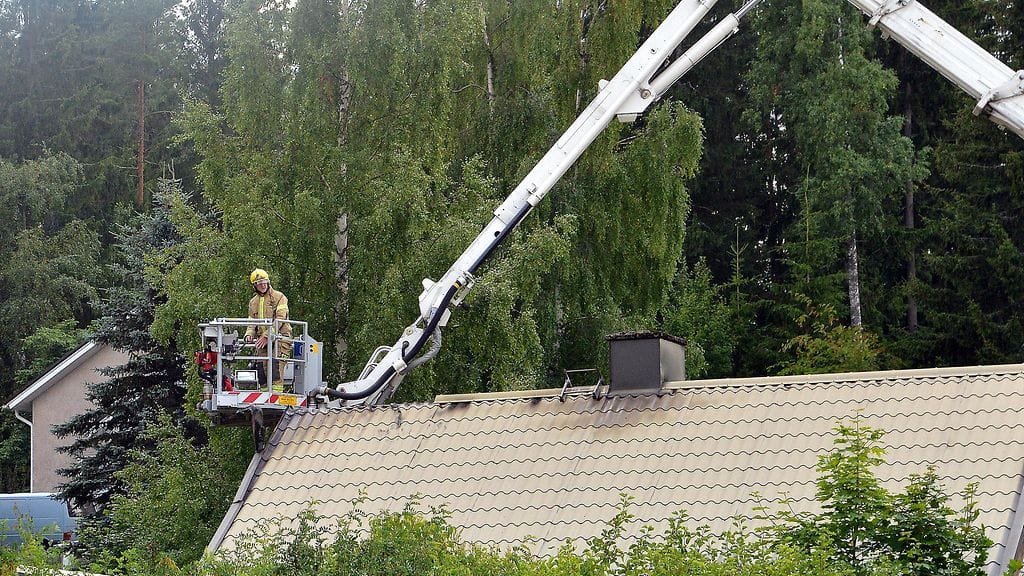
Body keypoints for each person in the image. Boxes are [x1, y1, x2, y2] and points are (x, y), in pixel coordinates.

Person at [244, 268, 292, 392]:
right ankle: (264, 400)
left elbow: (281, 318)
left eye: (265, 282)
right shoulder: (253, 302)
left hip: (280, 340)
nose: (263, 285)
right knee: (262, 373)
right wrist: (249, 334)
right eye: (259, 283)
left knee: (275, 372)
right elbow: (251, 323)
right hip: (262, 342)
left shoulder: (279, 297)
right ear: (254, 286)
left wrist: (267, 335)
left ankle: (275, 397)